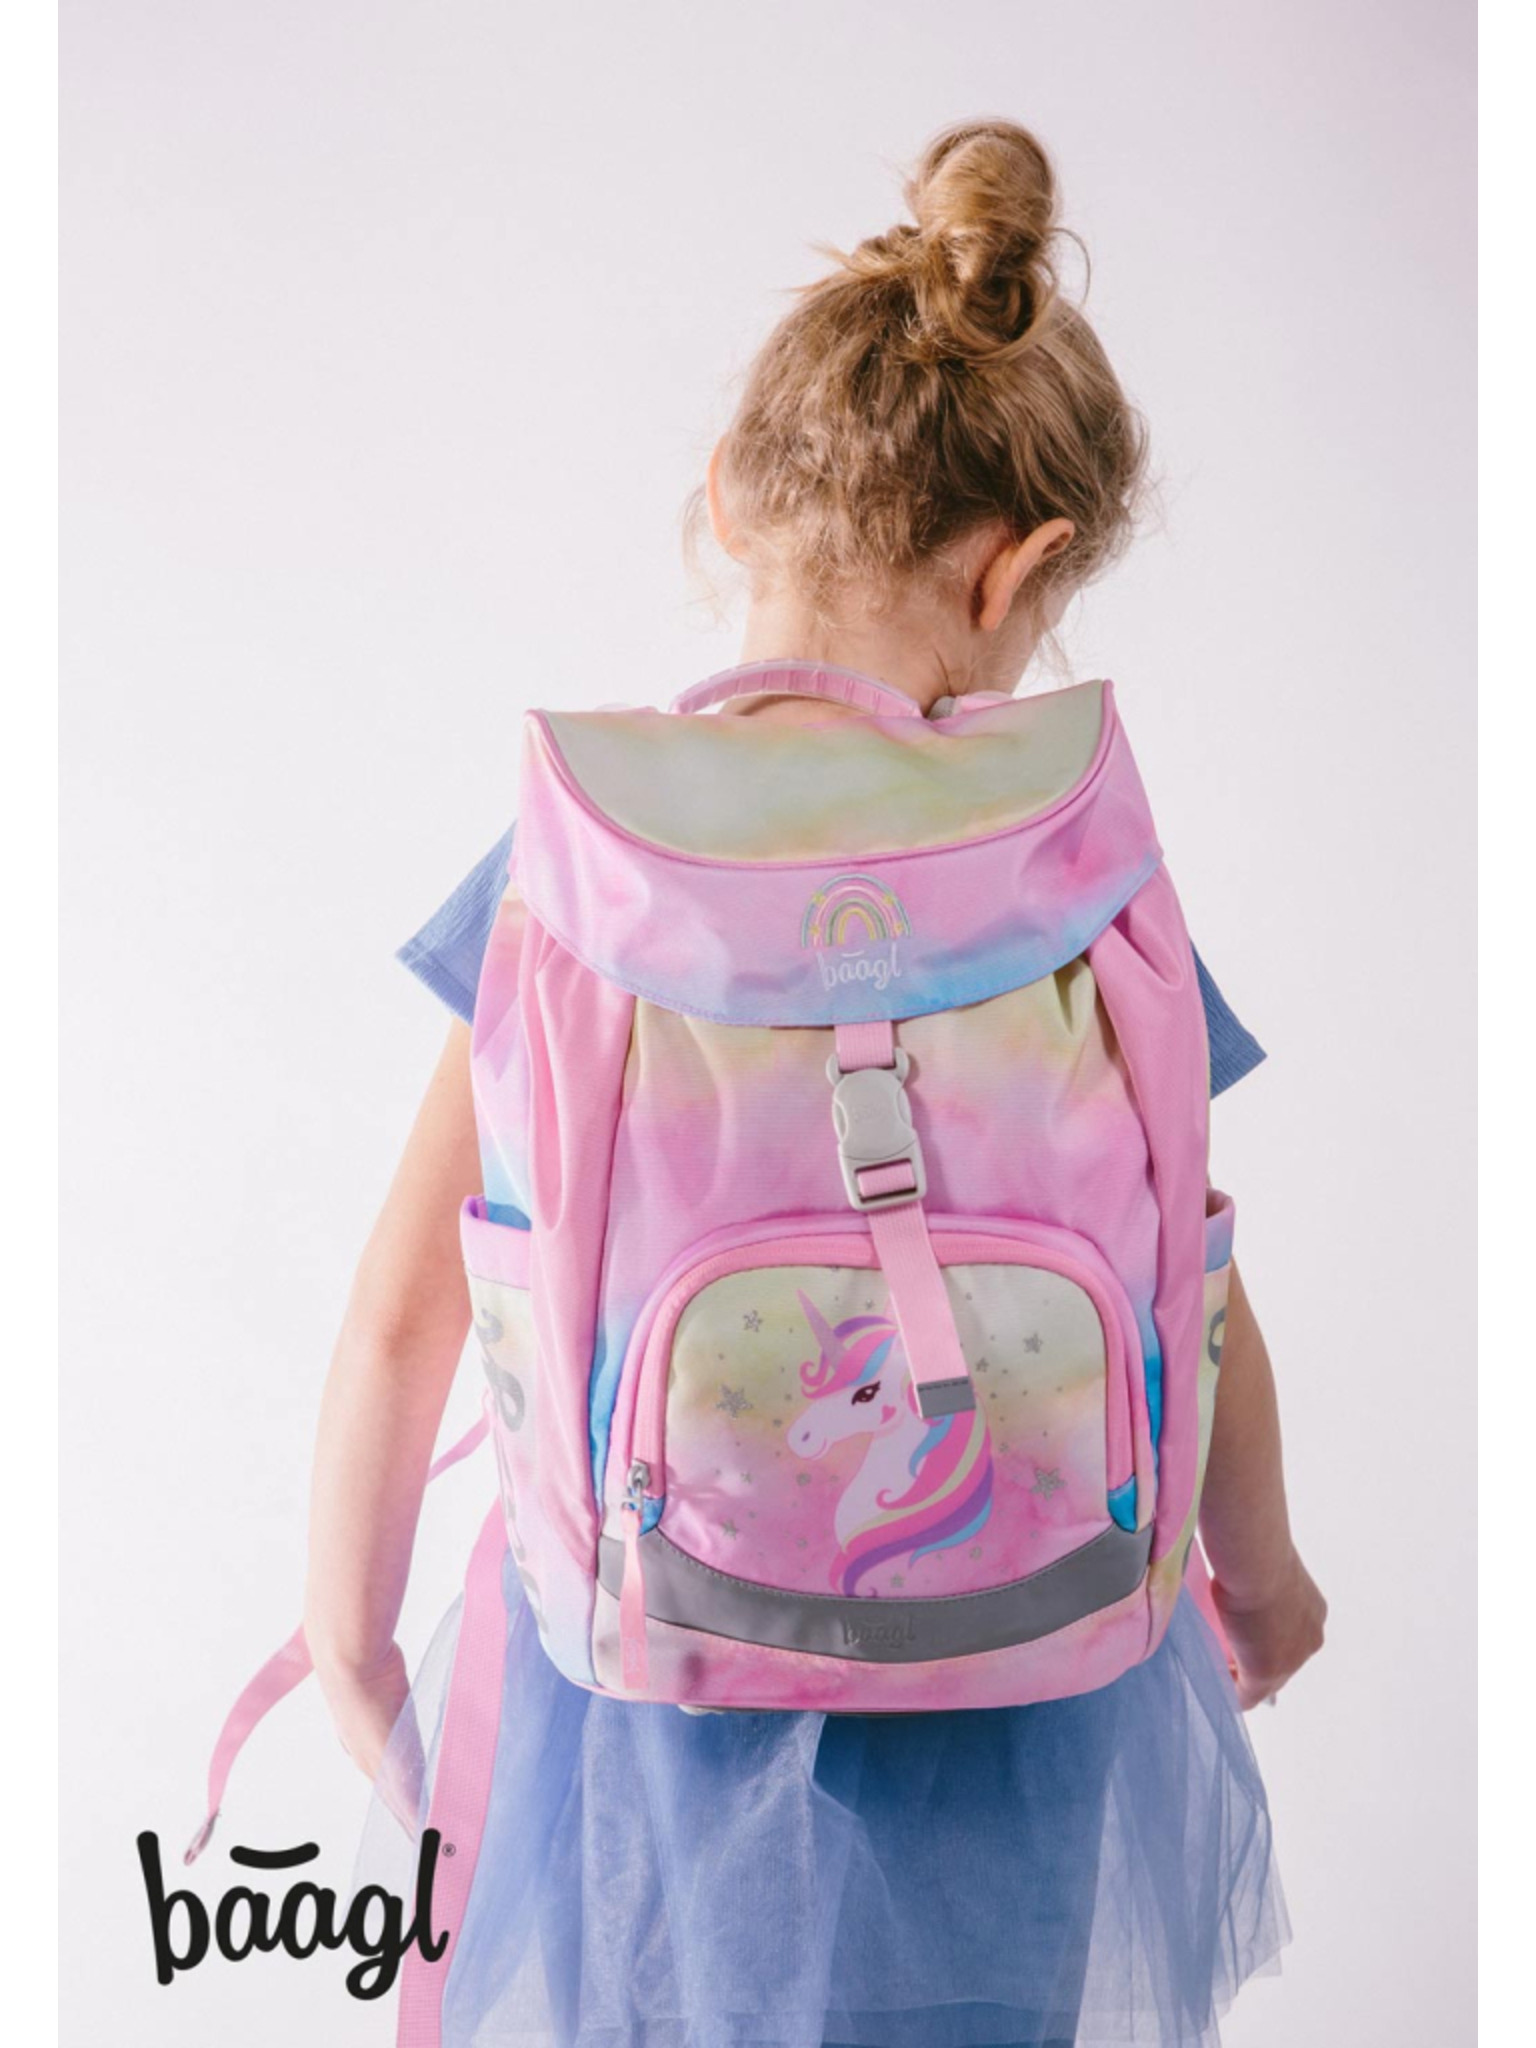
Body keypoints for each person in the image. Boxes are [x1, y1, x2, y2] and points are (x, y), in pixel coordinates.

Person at [309, 118, 1325, 2047]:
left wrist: (352, 1640)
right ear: (1021, 571)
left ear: (725, 497)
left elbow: (404, 1307)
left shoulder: (586, 859)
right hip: (1016, 1684)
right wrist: (1261, 1583)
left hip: (653, 1687)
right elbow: (1196, 1285)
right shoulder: (1078, 865)